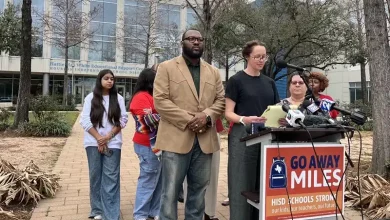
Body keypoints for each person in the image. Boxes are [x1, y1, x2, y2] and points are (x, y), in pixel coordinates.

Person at [153, 29, 225, 220]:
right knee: (170, 192)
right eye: (191, 39)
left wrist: (207, 116)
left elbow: (220, 101)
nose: (196, 42)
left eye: (200, 39)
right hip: (176, 138)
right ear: (182, 42)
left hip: (205, 141)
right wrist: (191, 120)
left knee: (198, 192)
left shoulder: (213, 71)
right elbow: (160, 101)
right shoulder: (166, 68)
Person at [224, 40, 280, 220]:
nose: (261, 60)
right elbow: (228, 113)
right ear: (247, 57)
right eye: (257, 56)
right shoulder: (236, 81)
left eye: (264, 57)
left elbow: (275, 108)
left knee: (263, 182)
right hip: (243, 135)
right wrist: (244, 119)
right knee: (242, 180)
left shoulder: (269, 83)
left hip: (267, 135)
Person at [80, 69, 128, 220]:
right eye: (106, 78)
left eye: (112, 79)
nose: (109, 81)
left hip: (113, 142)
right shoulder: (90, 98)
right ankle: (97, 210)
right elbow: (85, 121)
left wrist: (107, 137)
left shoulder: (118, 98)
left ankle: (112, 214)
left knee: (111, 177)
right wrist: (99, 139)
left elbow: (123, 120)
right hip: (92, 142)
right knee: (96, 176)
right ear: (100, 79)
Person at [129, 68, 162, 220]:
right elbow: (147, 121)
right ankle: (140, 214)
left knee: (158, 179)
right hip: (146, 144)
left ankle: (154, 211)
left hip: (158, 144)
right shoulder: (141, 97)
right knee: (148, 179)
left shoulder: (151, 96)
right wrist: (169, 115)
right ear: (150, 81)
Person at [182, 118, 225, 220]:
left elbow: (219, 105)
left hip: (211, 129)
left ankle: (209, 212)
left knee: (212, 175)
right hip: (187, 131)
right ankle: (191, 214)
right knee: (189, 179)